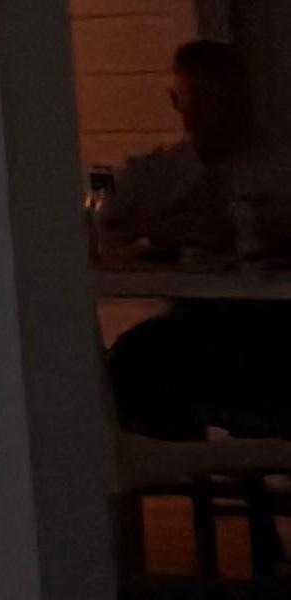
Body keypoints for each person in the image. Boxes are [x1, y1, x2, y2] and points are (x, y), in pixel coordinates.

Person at [99, 39, 291, 438]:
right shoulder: (156, 175)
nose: (215, 114)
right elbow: (105, 234)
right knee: (133, 360)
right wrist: (164, 239)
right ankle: (168, 460)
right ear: (177, 101)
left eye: (223, 100)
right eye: (202, 101)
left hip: (273, 321)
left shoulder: (278, 168)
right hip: (199, 319)